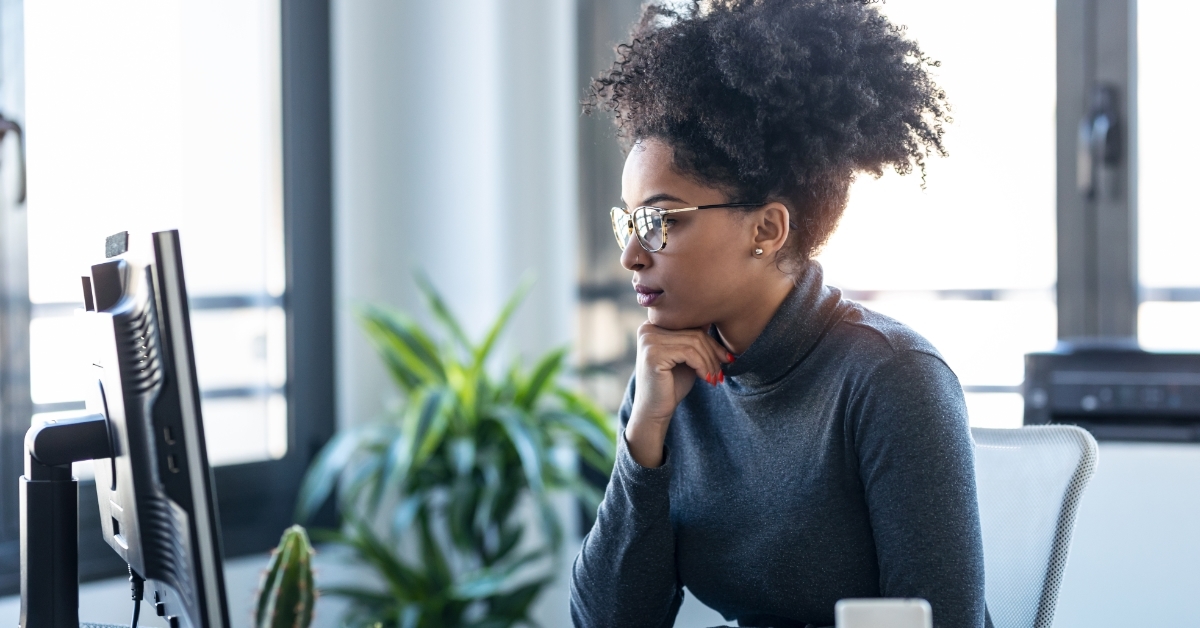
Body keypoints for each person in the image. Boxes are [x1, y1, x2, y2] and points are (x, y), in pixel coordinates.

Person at [569, 2, 987, 628]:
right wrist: (644, 438)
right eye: (628, 222)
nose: (630, 255)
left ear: (766, 228)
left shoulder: (892, 380)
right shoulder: (667, 378)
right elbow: (606, 622)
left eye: (658, 221)